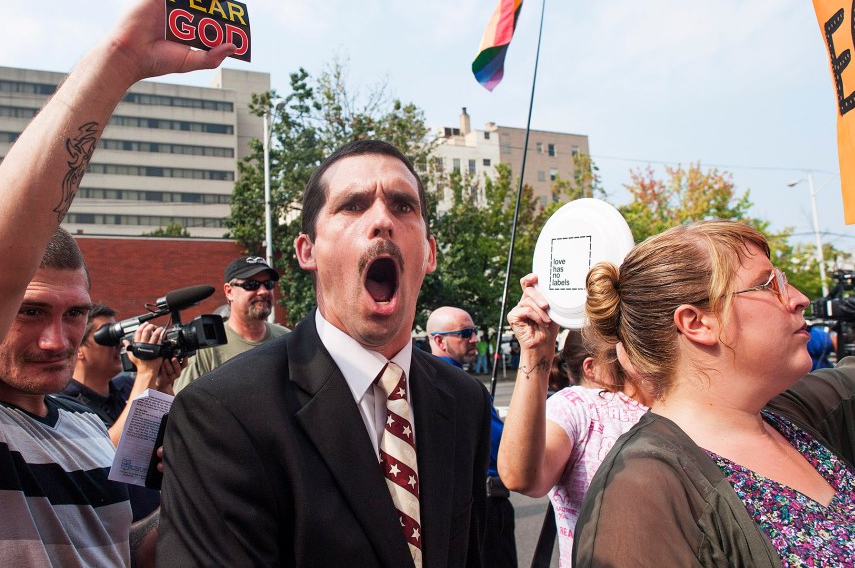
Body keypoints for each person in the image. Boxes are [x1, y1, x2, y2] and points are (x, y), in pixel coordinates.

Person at [0, 0, 239, 566]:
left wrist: (216, 490)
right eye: (29, 312)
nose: (59, 340)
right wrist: (119, 60)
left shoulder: (83, 429)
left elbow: (116, 548)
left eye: (75, 313)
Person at [159, 140, 491, 566]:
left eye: (403, 206)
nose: (382, 220)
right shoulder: (223, 412)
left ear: (428, 253)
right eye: (353, 205)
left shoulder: (465, 401)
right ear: (307, 251)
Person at [563, 220, 855, 566]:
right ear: (697, 323)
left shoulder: (794, 417)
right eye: (769, 285)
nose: (800, 299)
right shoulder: (638, 493)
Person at [498, 322, 649, 568]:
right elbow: (521, 477)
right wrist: (535, 351)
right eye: (626, 351)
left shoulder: (668, 399)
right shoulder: (577, 404)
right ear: (592, 368)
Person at [427, 306, 516, 567]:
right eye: (465, 333)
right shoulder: (462, 387)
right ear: (439, 341)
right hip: (483, 507)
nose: (475, 338)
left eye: (474, 332)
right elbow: (503, 449)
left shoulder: (420, 380)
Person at [62, 303, 184, 445]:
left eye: (119, 336)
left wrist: (163, 385)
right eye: (109, 337)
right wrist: (146, 372)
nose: (119, 344)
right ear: (78, 349)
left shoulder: (128, 386)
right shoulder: (63, 402)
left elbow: (176, 434)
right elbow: (109, 449)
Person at [174, 255, 289, 391]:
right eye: (252, 285)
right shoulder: (207, 347)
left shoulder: (287, 339)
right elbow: (184, 404)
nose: (263, 291)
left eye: (268, 284)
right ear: (229, 292)